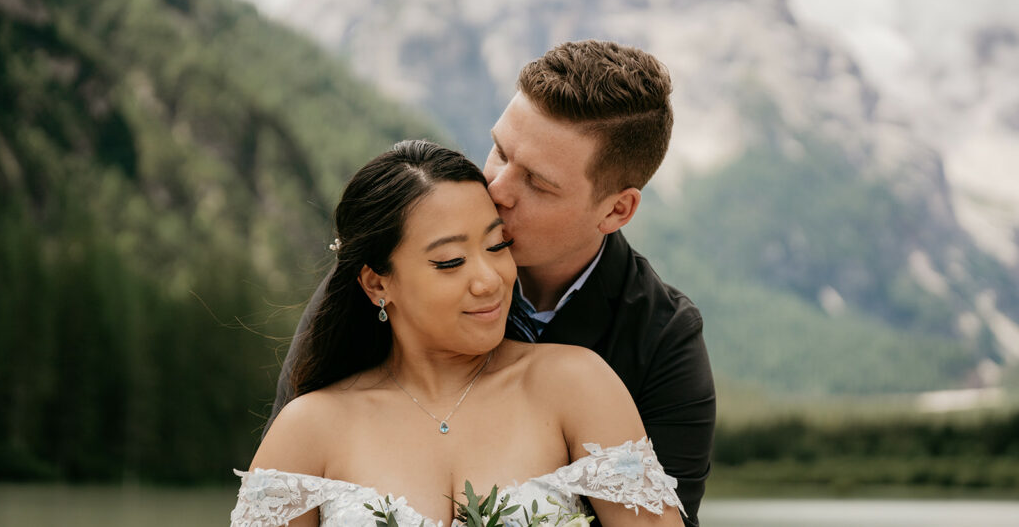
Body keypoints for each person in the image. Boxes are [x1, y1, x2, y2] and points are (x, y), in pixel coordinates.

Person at [269, 41, 716, 526]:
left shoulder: (662, 337)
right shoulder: (390, 274)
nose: (497, 189)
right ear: (380, 287)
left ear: (616, 210)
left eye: (539, 184)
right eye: (500, 152)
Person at [232, 140, 685, 527]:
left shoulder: (575, 383)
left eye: (497, 246)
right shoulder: (309, 428)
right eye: (450, 262)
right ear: (377, 283)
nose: (489, 279)